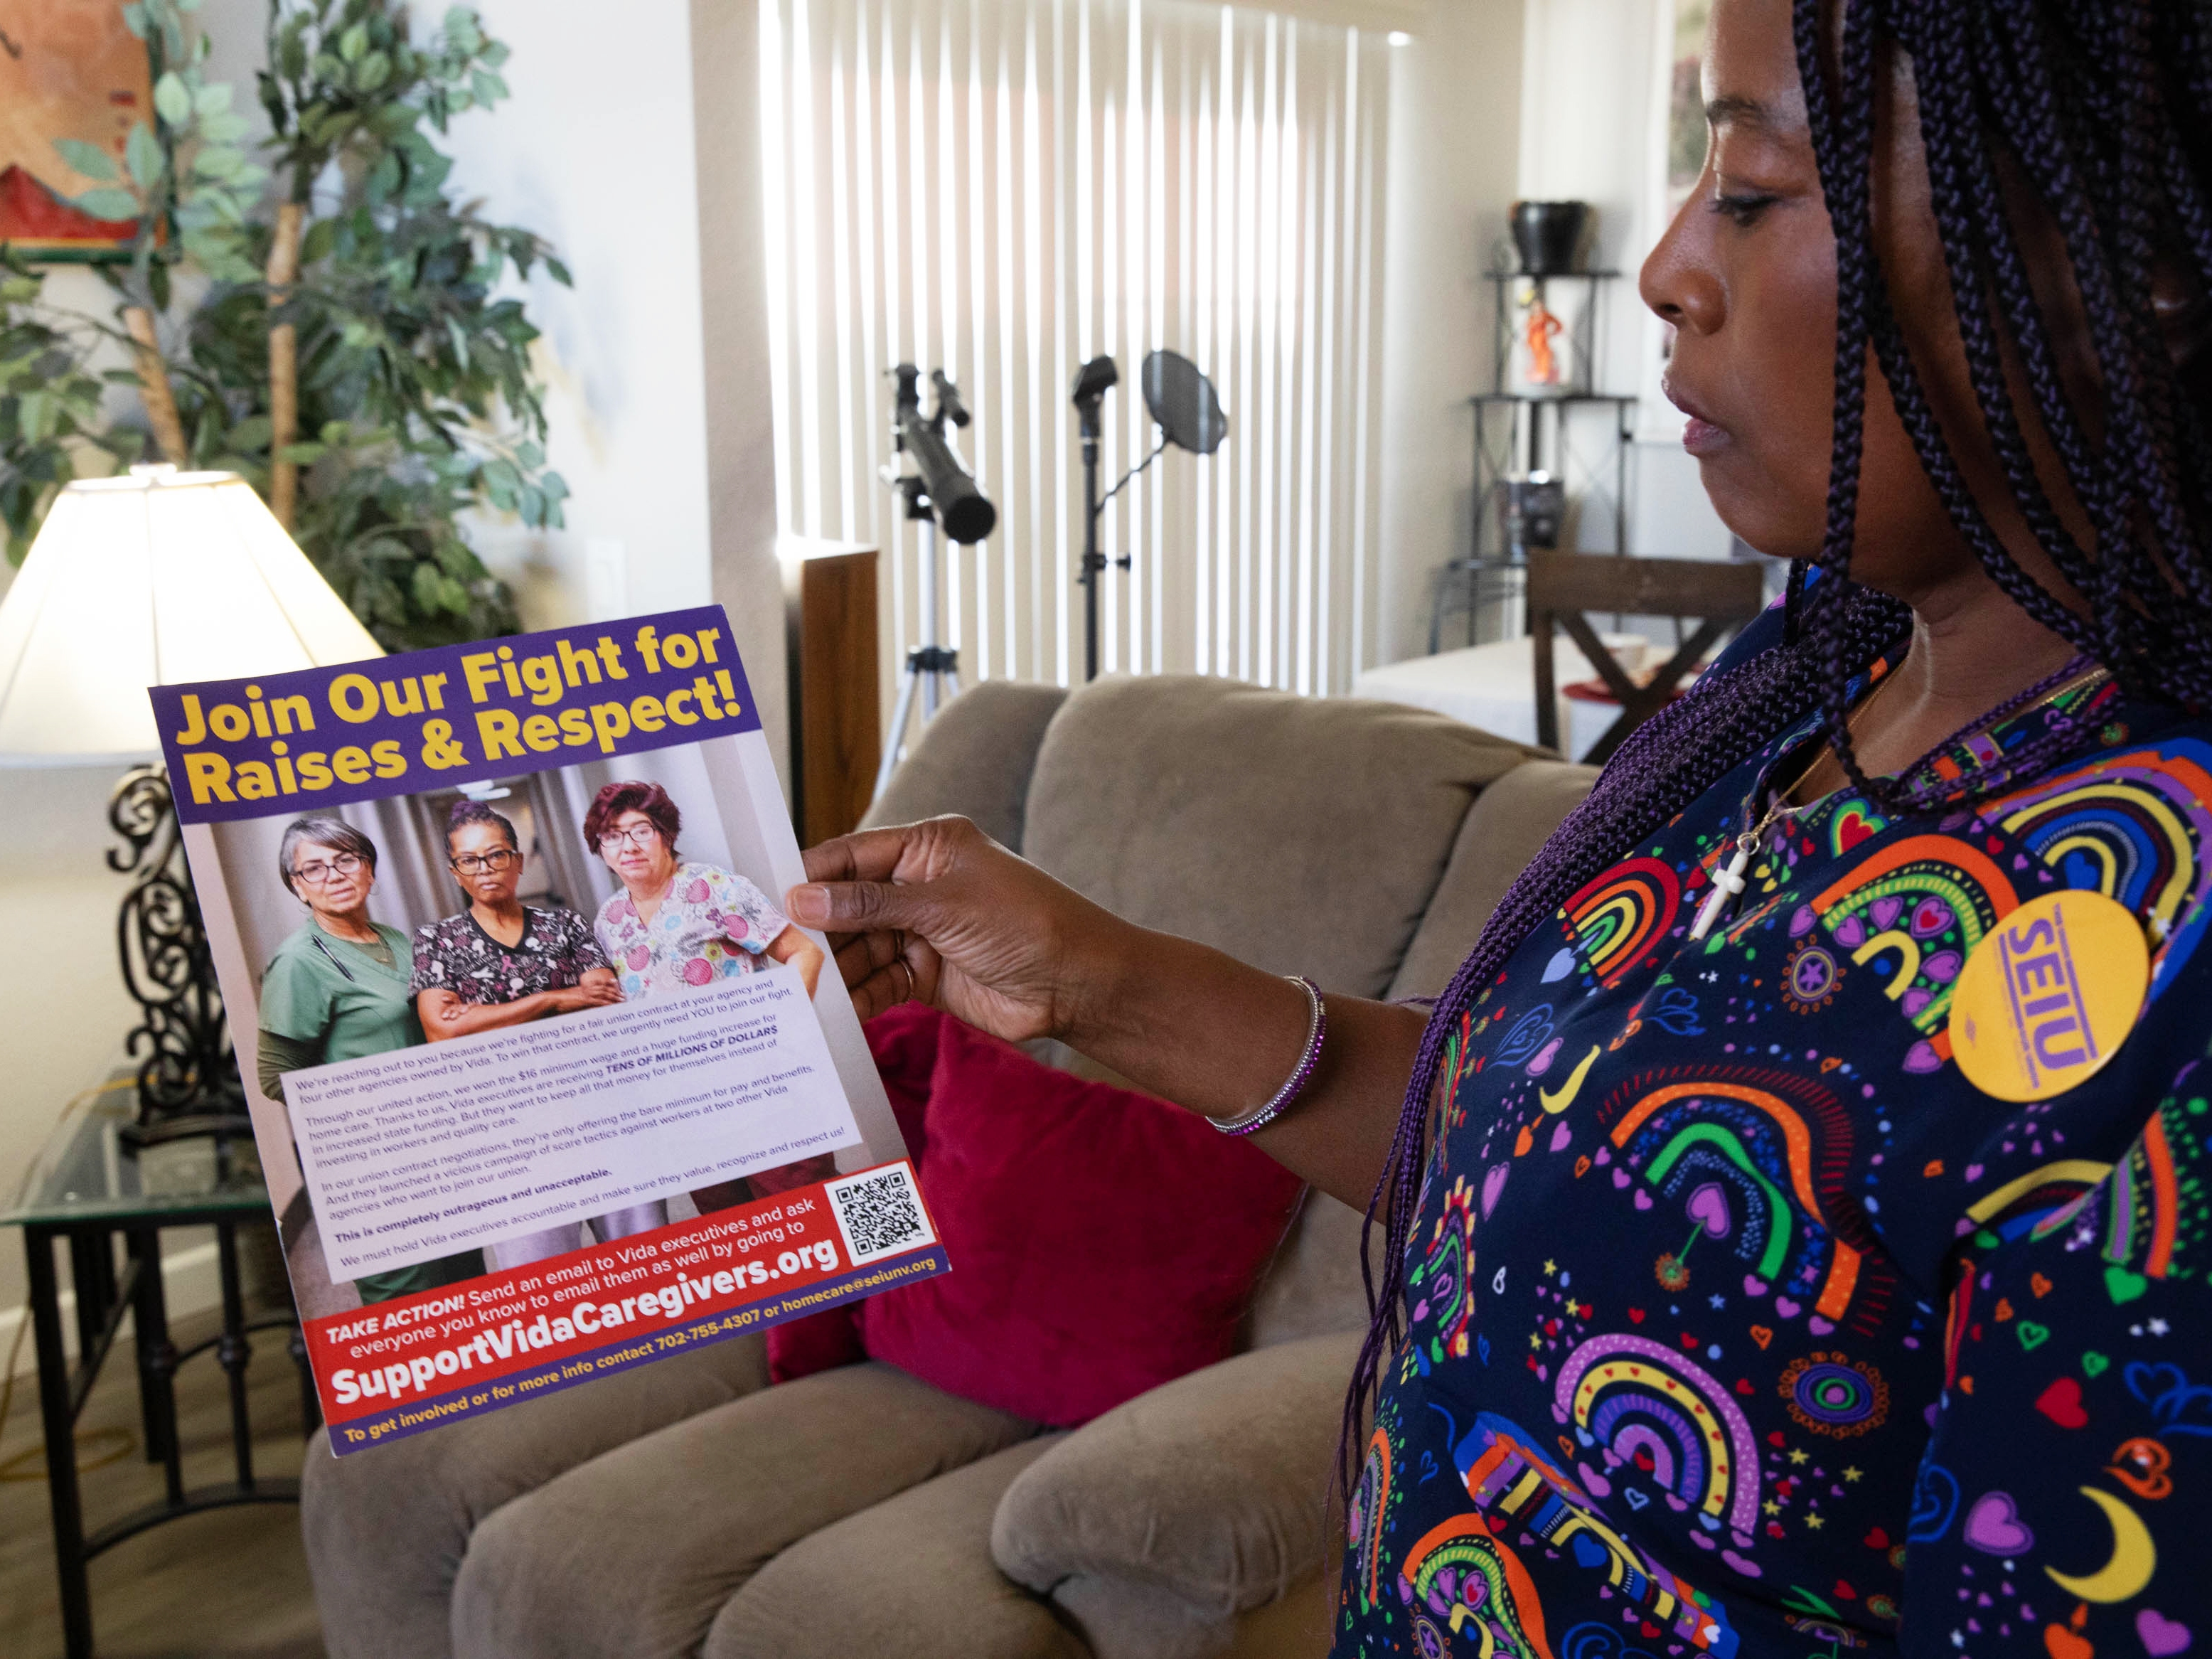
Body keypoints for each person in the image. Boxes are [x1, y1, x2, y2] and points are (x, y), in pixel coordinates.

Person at [782, 2, 2212, 1652]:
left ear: (2134, 268)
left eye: (1747, 184)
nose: (1668, 264)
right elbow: (1527, 1142)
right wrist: (1091, 977)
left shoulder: (2165, 966)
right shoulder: (1808, 688)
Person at [412, 800, 661, 1269]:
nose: (484, 868)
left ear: (518, 861)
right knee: (540, 1275)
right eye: (469, 860)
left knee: (643, 1259)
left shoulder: (562, 923)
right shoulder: (436, 940)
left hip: (598, 1107)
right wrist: (552, 999)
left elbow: (601, 992)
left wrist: (483, 1015)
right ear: (455, 871)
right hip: (510, 1133)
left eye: (497, 854)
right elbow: (442, 1030)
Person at [256, 816, 482, 1303]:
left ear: (369, 871)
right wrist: (374, 1105)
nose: (333, 875)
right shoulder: (299, 962)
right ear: (297, 887)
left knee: (465, 1280)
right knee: (406, 1297)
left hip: (439, 1143)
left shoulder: (395, 939)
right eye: (313, 868)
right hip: (374, 1162)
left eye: (345, 859)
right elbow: (276, 1078)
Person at [583, 779, 833, 1213]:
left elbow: (804, 953)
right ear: (601, 850)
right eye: (612, 836)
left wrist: (779, 1030)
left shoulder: (712, 886)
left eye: (641, 830)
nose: (629, 846)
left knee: (813, 1219)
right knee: (736, 1241)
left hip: (764, 1099)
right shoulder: (609, 920)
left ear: (666, 834)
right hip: (687, 1118)